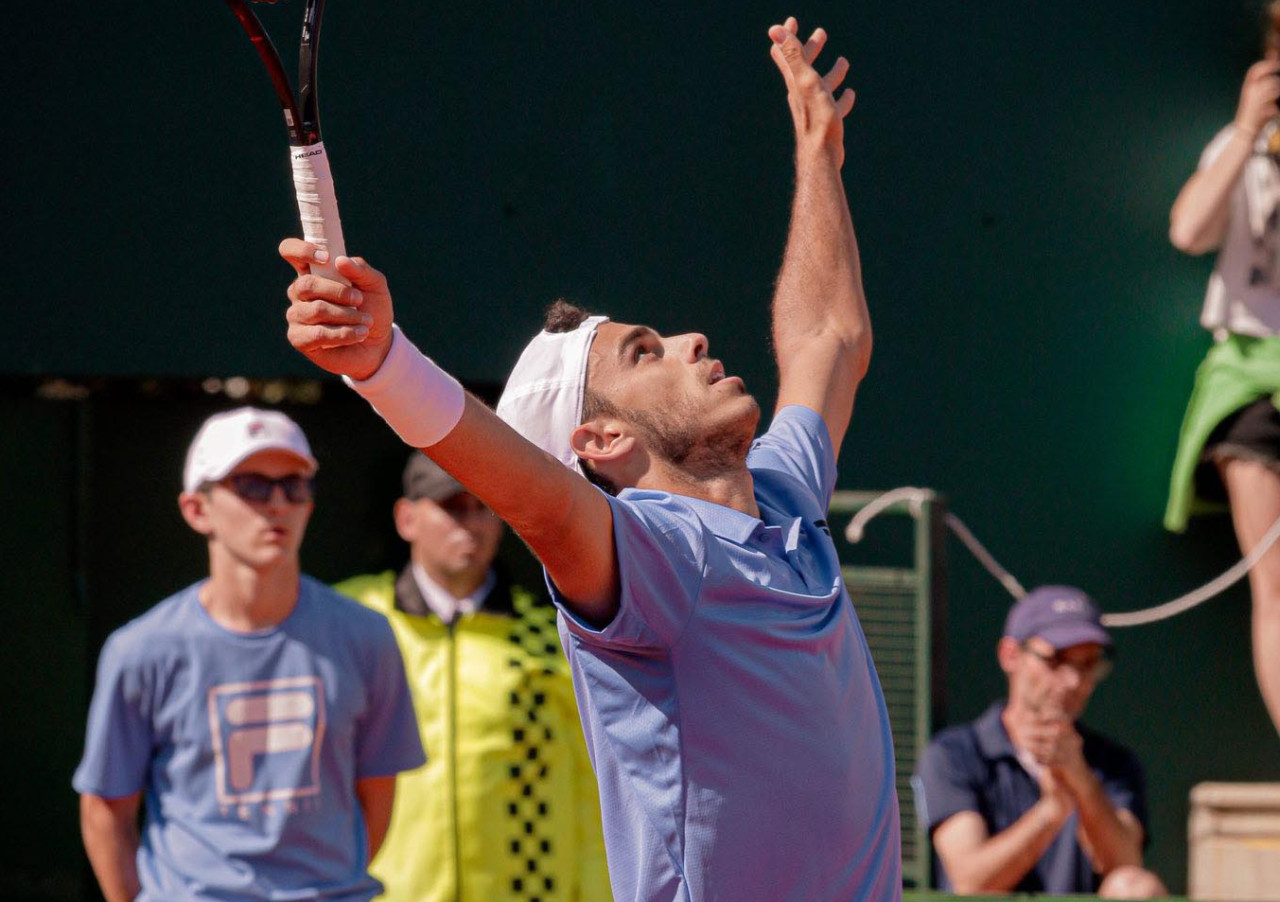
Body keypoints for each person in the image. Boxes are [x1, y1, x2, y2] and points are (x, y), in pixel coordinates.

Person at [278, 16, 902, 902]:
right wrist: (383, 362)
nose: (692, 338)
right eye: (645, 352)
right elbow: (522, 491)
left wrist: (817, 159)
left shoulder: (783, 493)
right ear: (601, 441)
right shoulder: (648, 553)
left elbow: (829, 335)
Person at [73, 407, 426, 902]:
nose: (277, 503)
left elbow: (377, 794)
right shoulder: (141, 650)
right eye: (252, 485)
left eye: (295, 485)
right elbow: (106, 809)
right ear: (198, 509)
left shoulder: (366, 637)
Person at [333, 452, 610, 902]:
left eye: (484, 507)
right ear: (407, 519)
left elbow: (592, 792)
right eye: (452, 506)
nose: (472, 523)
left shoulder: (550, 637)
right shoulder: (354, 621)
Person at [1166, 0, 1280, 741]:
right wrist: (1248, 130)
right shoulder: (1242, 148)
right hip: (1253, 384)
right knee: (1276, 585)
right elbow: (1188, 231)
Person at [913, 586, 1167, 898]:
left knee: (1139, 888)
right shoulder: (951, 754)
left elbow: (1127, 865)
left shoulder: (1116, 763)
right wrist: (1052, 810)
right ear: (1010, 655)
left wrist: (1080, 780)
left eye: (1088, 663)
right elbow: (971, 882)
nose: (1074, 681)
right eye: (1056, 659)